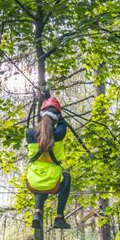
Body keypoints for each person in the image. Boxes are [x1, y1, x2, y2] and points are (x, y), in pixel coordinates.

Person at [26, 96, 71, 230]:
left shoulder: (30, 133)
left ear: (41, 115)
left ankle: (37, 213)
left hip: (32, 182)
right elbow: (62, 122)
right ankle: (59, 217)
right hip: (54, 184)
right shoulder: (60, 132)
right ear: (56, 116)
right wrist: (56, 110)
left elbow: (44, 127)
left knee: (42, 182)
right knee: (65, 176)